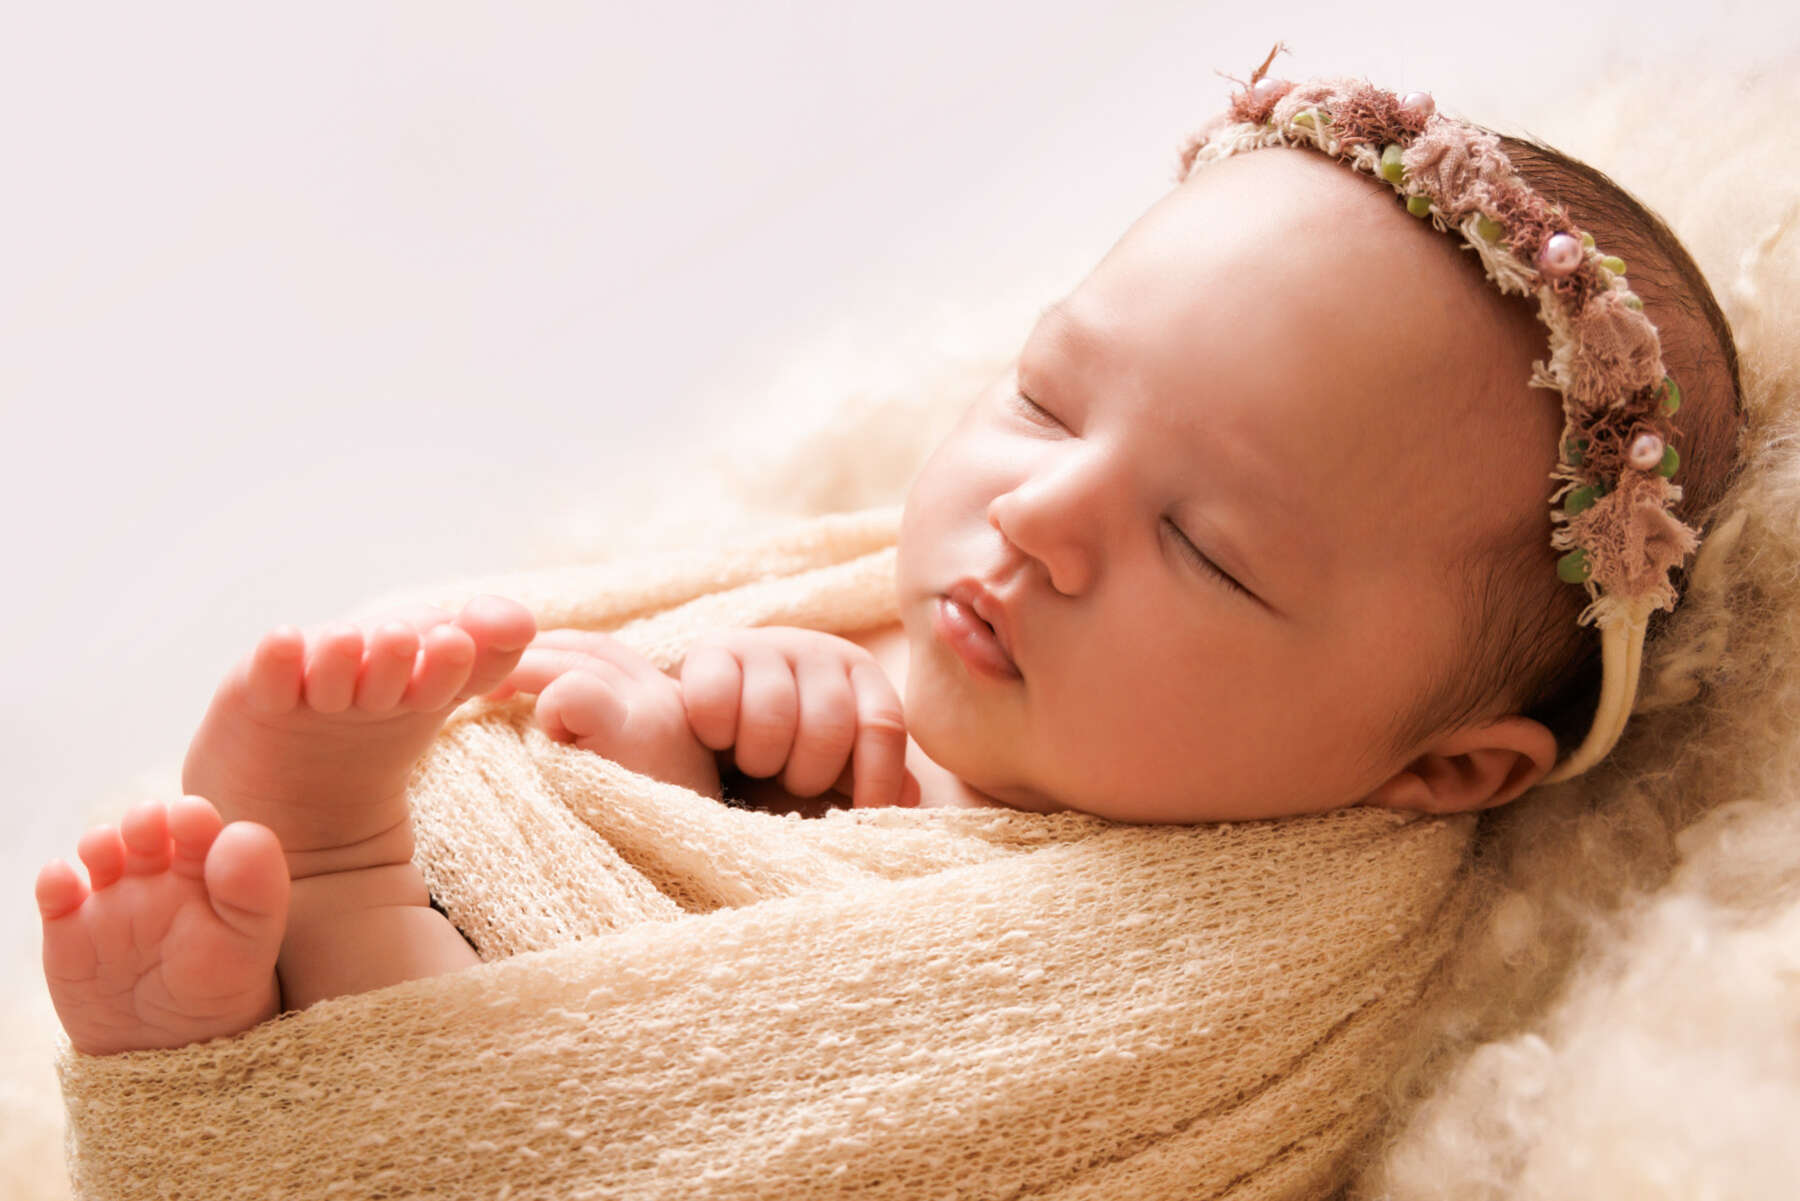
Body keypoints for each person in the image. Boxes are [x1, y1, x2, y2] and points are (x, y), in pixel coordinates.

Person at [34, 60, 1743, 1057]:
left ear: (1443, 764)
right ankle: (290, 947)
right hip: (514, 985)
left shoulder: (1262, 959)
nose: (1041, 517)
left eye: (1206, 550)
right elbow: (696, 868)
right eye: (1048, 399)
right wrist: (664, 762)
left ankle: (329, 893)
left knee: (551, 1063)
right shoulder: (872, 645)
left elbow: (880, 1053)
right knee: (493, 870)